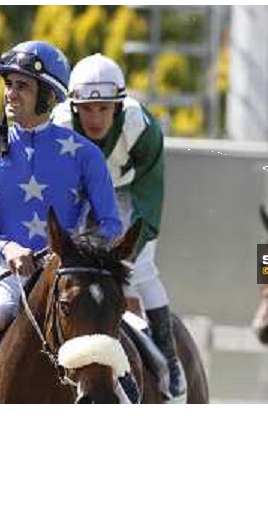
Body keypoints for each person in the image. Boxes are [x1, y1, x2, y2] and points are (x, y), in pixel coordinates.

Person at [0, 41, 122, 404]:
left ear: (47, 96)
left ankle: (128, 395)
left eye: (22, 85)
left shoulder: (85, 155)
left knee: (118, 333)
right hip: (12, 278)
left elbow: (111, 224)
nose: (10, 93)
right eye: (8, 84)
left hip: (71, 279)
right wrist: (6, 248)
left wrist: (73, 252)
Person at [52, 53, 186, 403]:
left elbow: (148, 196)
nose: (95, 119)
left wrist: (129, 249)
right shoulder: (59, 126)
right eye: (87, 109)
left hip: (127, 191)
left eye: (104, 109)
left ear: (119, 107)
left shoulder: (142, 128)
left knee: (141, 269)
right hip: (79, 193)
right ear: (74, 107)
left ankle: (167, 353)